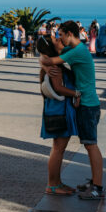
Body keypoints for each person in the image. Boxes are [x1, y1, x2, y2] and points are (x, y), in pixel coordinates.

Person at [40, 21, 104, 200]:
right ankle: (94, 183)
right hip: (86, 103)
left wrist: (46, 64)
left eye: (61, 35)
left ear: (69, 33)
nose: (59, 38)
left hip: (88, 104)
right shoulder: (75, 50)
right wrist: (46, 63)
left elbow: (49, 59)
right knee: (89, 144)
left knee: (91, 144)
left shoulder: (78, 51)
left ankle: (97, 187)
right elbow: (46, 56)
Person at [37, 35, 80, 196]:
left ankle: (57, 182)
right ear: (51, 47)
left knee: (58, 149)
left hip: (58, 109)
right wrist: (76, 93)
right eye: (55, 39)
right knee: (58, 149)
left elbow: (42, 56)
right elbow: (59, 88)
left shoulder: (53, 63)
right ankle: (52, 185)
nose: (59, 39)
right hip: (60, 111)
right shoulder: (55, 68)